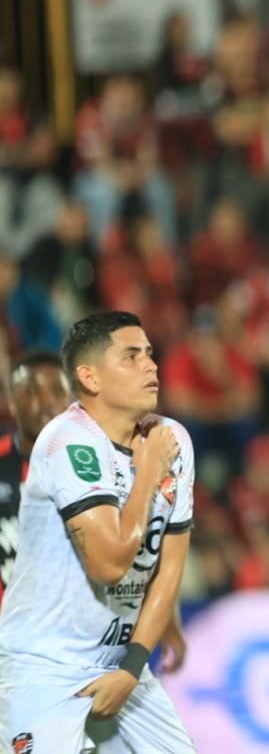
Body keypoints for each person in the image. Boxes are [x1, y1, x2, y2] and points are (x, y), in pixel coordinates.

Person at [0, 311, 196, 751]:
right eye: (131, 356)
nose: (151, 365)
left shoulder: (174, 439)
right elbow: (109, 565)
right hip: (45, 667)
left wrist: (132, 667)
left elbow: (168, 568)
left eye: (149, 353)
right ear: (90, 377)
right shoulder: (68, 441)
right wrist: (146, 474)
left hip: (118, 661)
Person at [0, 350, 73, 607]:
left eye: (56, 391)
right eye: (31, 392)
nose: (45, 403)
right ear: (11, 401)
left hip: (77, 630)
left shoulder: (95, 466)